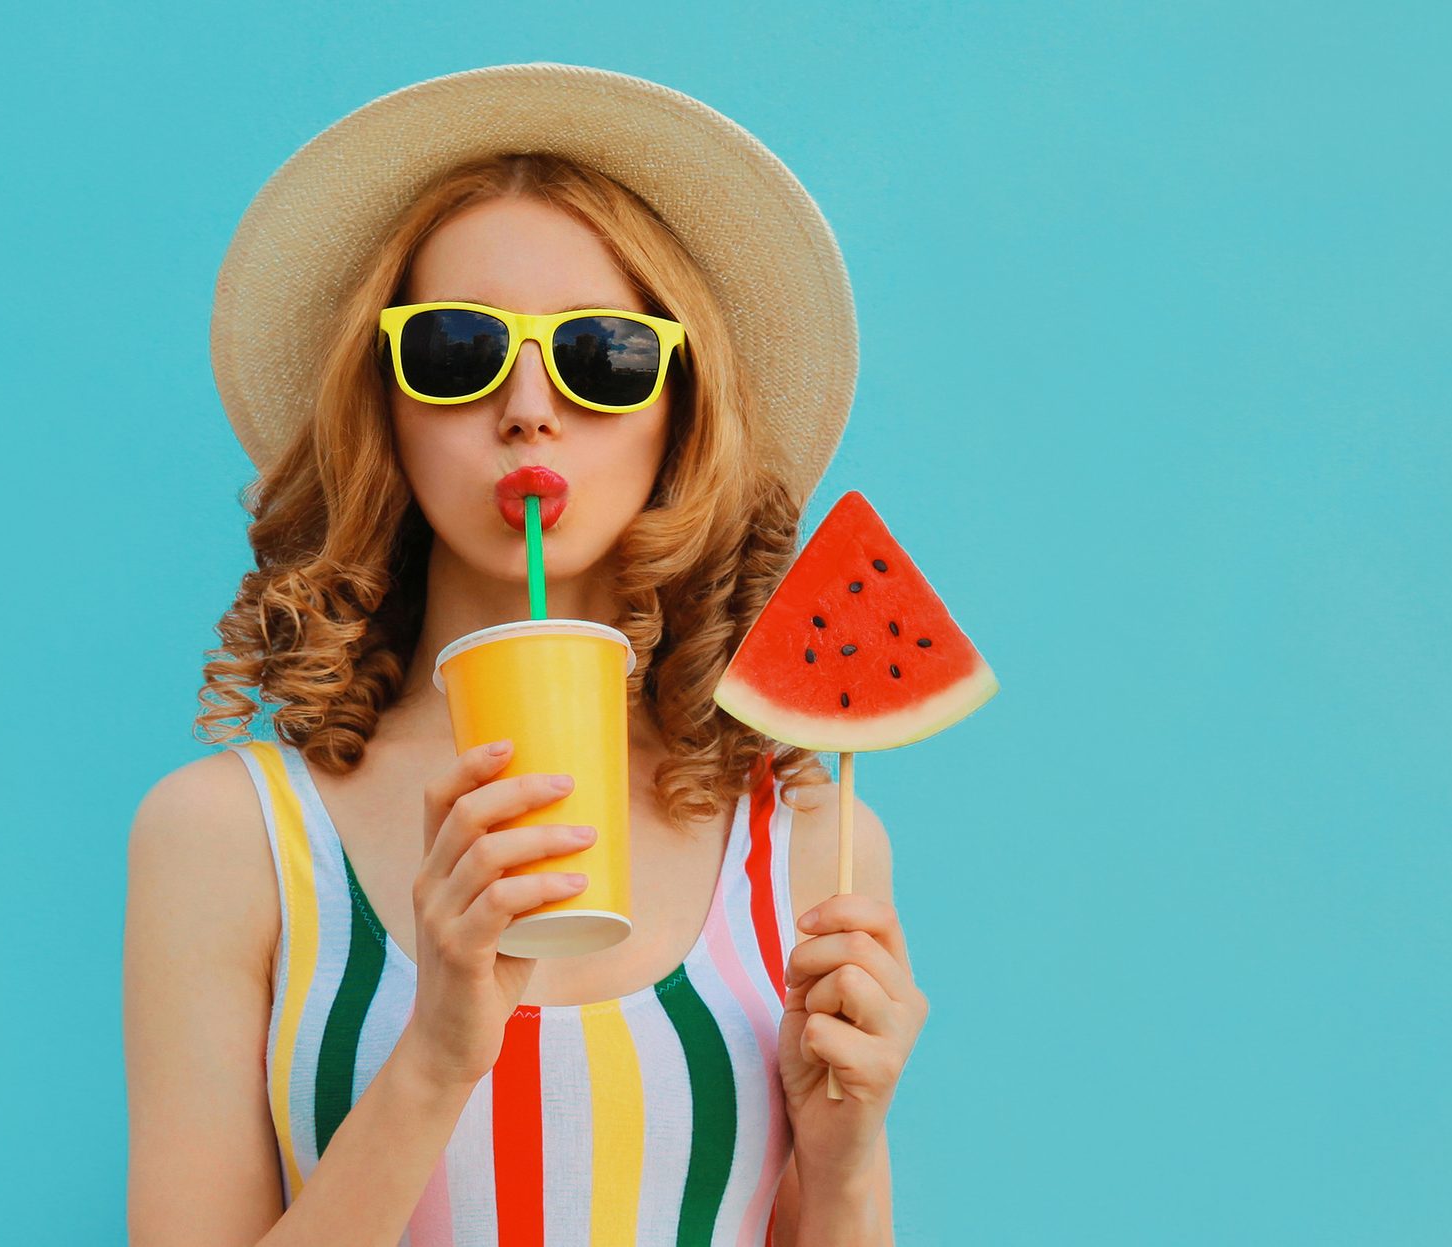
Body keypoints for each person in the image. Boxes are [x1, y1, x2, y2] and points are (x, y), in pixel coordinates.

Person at [125, 64, 929, 1247]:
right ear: (385, 406)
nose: (529, 407)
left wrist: (847, 1161)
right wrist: (437, 1055)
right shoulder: (228, 839)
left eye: (604, 356)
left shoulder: (812, 845)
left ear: (678, 408)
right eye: (456, 351)